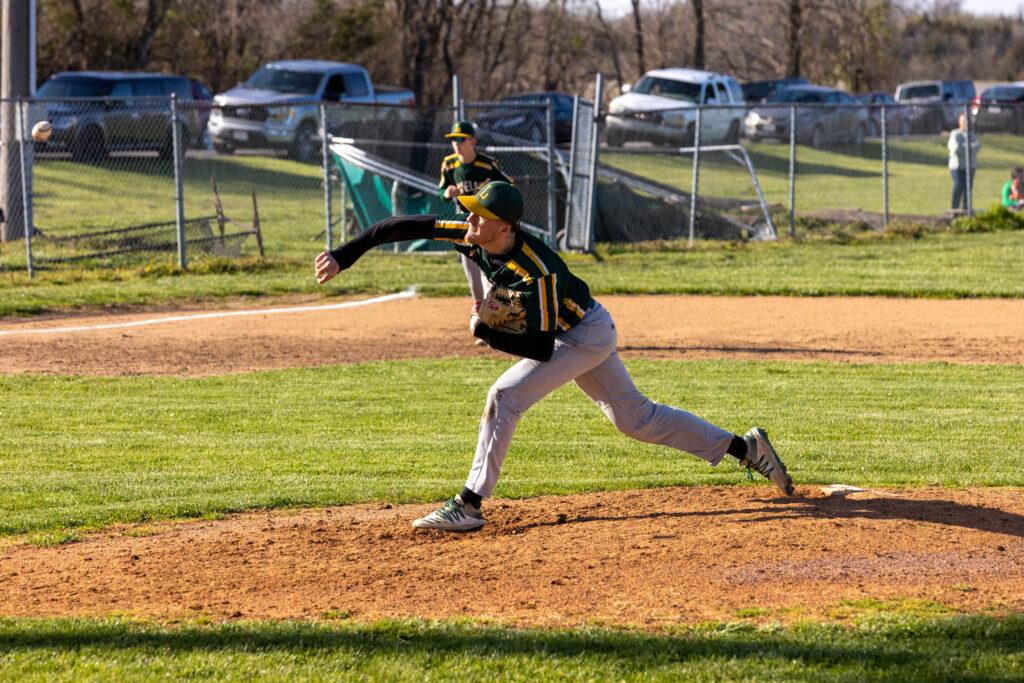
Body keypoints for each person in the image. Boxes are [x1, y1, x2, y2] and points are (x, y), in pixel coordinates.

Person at [314, 181, 794, 532]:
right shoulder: (473, 235)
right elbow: (397, 226)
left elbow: (542, 348)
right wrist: (343, 255)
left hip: (582, 334)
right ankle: (746, 448)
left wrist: (486, 332)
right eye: (471, 213)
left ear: (504, 226)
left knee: (505, 396)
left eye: (479, 215)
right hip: (579, 329)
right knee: (636, 419)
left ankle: (469, 504)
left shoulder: (537, 272)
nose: (469, 219)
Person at [438, 121, 514, 335]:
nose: (456, 143)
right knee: (473, 277)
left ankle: (496, 319)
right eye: (453, 139)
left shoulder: (487, 165)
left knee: (489, 274)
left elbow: (509, 185)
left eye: (461, 139)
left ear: (472, 141)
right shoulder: (449, 164)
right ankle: (482, 321)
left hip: (488, 226)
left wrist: (494, 200)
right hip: (465, 224)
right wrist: (447, 193)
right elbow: (442, 191)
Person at [948, 113, 980, 211]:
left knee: (968, 188)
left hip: (970, 166)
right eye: (963, 121)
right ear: (959, 122)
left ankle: (967, 209)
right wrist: (970, 149)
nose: (965, 123)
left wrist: (965, 148)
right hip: (957, 166)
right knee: (958, 186)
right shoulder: (955, 134)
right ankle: (955, 208)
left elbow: (978, 147)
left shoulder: (972, 135)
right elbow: (955, 148)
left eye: (967, 121)